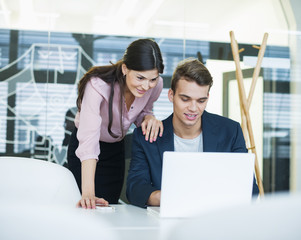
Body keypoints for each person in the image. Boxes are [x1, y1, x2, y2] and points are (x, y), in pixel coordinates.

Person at [126, 58, 259, 208]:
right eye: (185, 99)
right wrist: (169, 198)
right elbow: (135, 189)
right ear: (171, 96)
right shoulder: (147, 137)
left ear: (207, 98)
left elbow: (251, 190)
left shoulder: (230, 131)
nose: (193, 108)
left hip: (217, 219)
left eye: (201, 101)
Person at [67, 38, 164, 209]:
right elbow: (89, 138)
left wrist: (148, 118)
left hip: (114, 149)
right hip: (85, 149)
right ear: (125, 68)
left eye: (152, 79)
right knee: (85, 204)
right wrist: (88, 192)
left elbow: (143, 111)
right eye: (140, 77)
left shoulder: (155, 87)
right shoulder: (97, 85)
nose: (146, 86)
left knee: (108, 206)